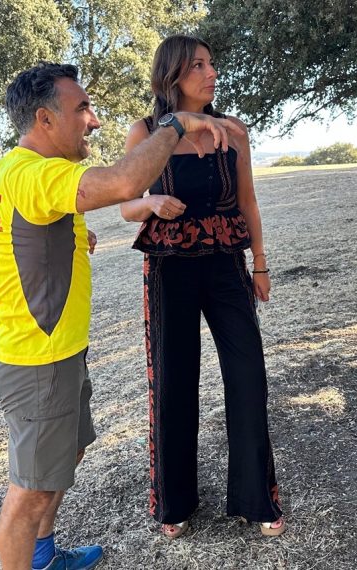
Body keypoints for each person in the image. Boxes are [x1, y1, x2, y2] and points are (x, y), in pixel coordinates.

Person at [0, 62, 242, 570]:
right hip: (38, 361)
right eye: (81, 109)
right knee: (29, 491)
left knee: (61, 463)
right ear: (44, 119)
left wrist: (70, 239)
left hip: (55, 354)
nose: (93, 121)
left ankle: (45, 557)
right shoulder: (38, 173)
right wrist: (176, 124)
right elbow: (124, 183)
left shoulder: (7, 173)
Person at [118, 35, 285, 539]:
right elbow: (126, 201)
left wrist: (260, 263)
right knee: (174, 379)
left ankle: (257, 500)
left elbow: (249, 202)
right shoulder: (147, 132)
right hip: (170, 266)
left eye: (212, 64)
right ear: (171, 76)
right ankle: (174, 503)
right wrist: (150, 204)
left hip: (226, 263)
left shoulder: (233, 130)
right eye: (198, 65)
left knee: (248, 374)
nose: (211, 73)